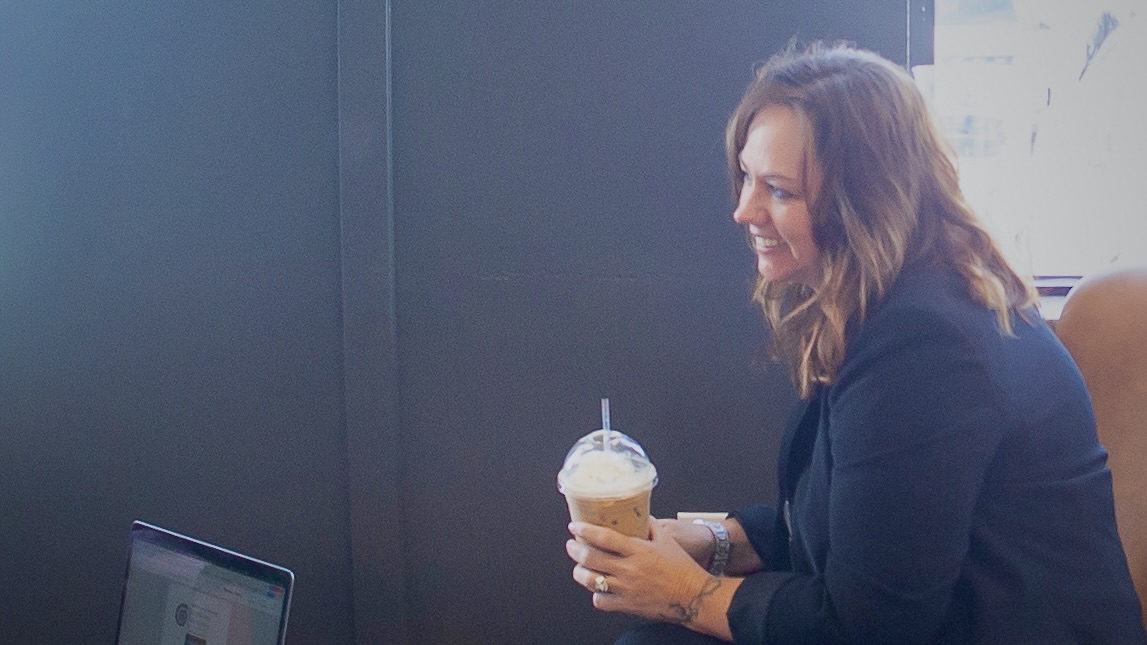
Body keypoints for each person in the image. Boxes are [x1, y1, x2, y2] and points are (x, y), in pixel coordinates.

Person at [564, 42, 1147, 644]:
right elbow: (855, 532)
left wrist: (683, 594)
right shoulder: (898, 303)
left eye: (780, 190)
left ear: (866, 199)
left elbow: (866, 627)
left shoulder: (927, 347)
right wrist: (713, 543)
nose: (744, 210)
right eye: (746, 178)